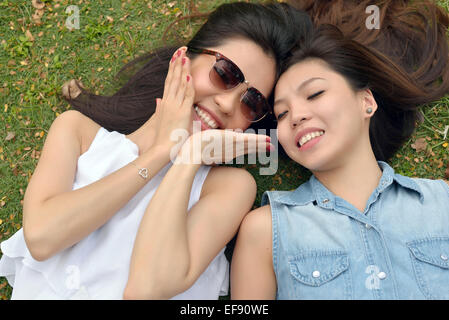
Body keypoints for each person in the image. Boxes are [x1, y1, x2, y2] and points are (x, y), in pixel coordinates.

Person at [0, 2, 312, 299]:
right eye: (225, 73)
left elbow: (145, 289)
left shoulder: (229, 188)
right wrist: (162, 151)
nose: (228, 103)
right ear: (185, 58)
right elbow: (42, 238)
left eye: (252, 102)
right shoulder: (77, 132)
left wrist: (187, 159)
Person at [231, 0, 449, 300]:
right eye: (281, 114)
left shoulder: (442, 203)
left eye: (315, 93)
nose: (296, 116)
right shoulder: (266, 231)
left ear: (366, 102)